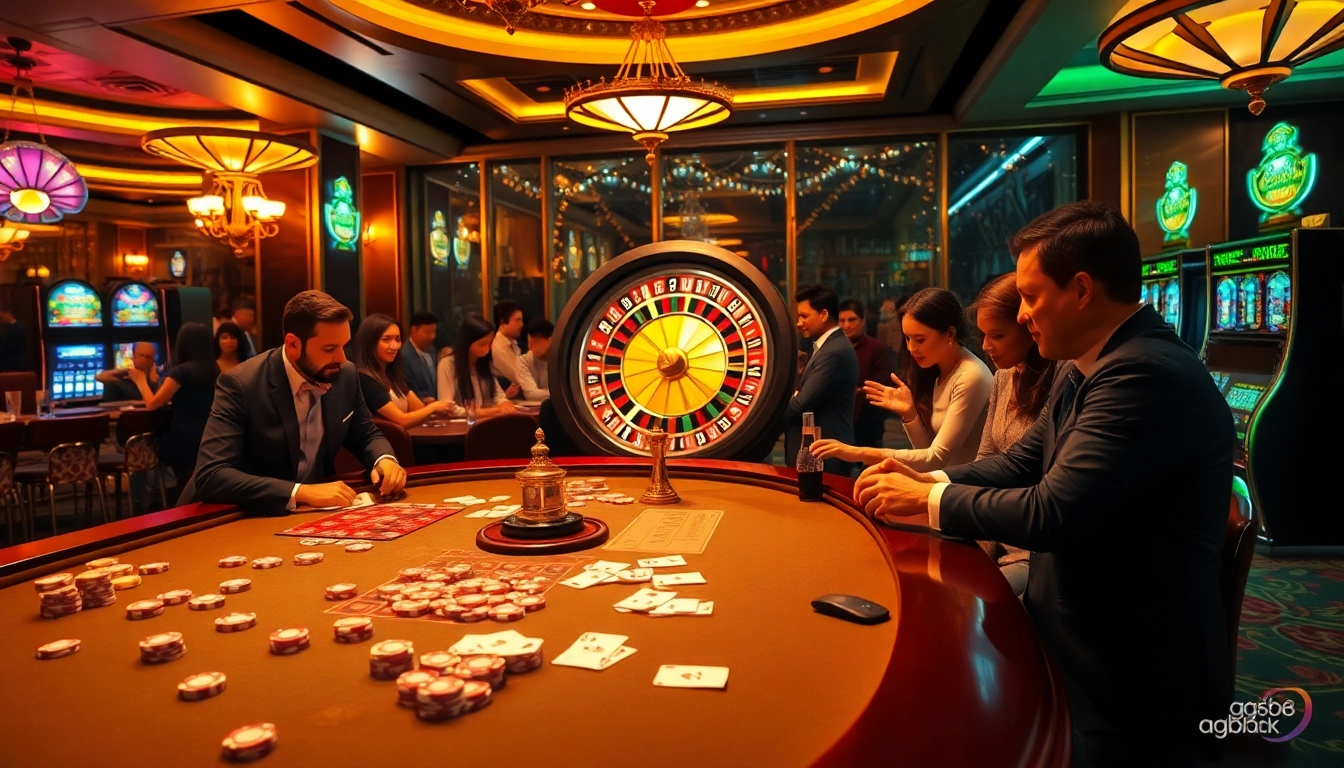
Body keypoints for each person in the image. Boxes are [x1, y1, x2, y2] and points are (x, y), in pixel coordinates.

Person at [853, 201, 1233, 766]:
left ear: (1081, 289)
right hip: (1086, 628)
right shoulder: (1088, 362)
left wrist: (931, 498)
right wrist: (925, 475)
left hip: (1127, 674)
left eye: (1031, 297)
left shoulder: (1141, 373)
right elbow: (1020, 463)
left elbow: (1055, 513)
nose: (1025, 314)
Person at [180, 290, 407, 514]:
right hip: (232, 517)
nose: (342, 358)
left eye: (343, 345)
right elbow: (211, 474)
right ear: (293, 344)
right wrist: (301, 492)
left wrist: (383, 460)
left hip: (307, 516)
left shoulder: (345, 374)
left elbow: (367, 435)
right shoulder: (240, 384)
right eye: (329, 349)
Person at [813, 288, 992, 472]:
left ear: (950, 334)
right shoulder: (939, 370)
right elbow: (926, 453)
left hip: (969, 491)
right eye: (907, 338)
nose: (911, 348)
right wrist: (909, 413)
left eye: (920, 340)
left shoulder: (971, 375)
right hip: (948, 484)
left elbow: (935, 458)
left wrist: (858, 452)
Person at [968, 273, 1060, 596]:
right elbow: (987, 459)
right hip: (997, 535)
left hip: (1032, 552)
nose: (985, 346)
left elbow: (1032, 479)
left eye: (997, 335)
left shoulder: (1059, 381)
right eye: (982, 335)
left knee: (977, 608)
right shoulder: (1003, 376)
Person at [127, 323, 217, 489]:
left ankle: (151, 497)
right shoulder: (213, 370)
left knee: (149, 444)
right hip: (210, 434)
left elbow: (153, 404)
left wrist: (140, 381)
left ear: (183, 344)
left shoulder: (182, 371)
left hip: (184, 437)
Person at [783, 285, 858, 476]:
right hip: (820, 453)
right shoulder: (827, 347)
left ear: (824, 314)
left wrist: (770, 410)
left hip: (825, 456)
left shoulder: (834, 352)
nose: (799, 323)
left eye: (804, 316)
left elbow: (801, 403)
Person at [353, 313, 450, 429]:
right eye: (386, 339)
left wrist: (440, 409)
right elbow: (402, 420)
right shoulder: (365, 378)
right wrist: (433, 407)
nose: (395, 346)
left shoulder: (393, 375)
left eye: (397, 339)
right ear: (370, 342)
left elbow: (419, 409)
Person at [437, 314, 518, 418]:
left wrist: (503, 403)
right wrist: (492, 411)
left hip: (486, 422)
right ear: (467, 343)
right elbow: (447, 407)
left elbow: (499, 395)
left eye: (490, 343)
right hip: (461, 426)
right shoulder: (448, 364)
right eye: (482, 344)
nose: (487, 349)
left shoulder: (483, 361)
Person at [837, 299, 889, 450]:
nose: (846, 325)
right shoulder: (833, 349)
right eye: (842, 320)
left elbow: (882, 380)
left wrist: (857, 392)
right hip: (838, 415)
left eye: (852, 320)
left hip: (867, 417)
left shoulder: (876, 348)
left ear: (862, 321)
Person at [96, 341, 160, 402]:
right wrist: (125, 371)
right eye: (141, 355)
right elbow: (99, 377)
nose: (144, 359)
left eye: (148, 357)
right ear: (133, 357)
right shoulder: (121, 379)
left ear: (153, 359)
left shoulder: (158, 378)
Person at [399, 310, 439, 403]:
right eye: (428, 332)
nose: (433, 336)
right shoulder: (404, 356)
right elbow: (406, 390)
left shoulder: (432, 351)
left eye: (434, 332)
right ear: (414, 330)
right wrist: (424, 400)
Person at [490, 301, 524, 399]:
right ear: (502, 321)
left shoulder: (514, 345)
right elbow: (519, 376)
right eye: (518, 320)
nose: (521, 324)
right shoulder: (496, 346)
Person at [514, 317, 552, 402]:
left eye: (535, 342)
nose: (529, 346)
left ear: (550, 339)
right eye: (529, 341)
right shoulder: (523, 361)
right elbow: (532, 394)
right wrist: (559, 394)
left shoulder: (562, 360)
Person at [0, 296, 25, 372]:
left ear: (5, 313)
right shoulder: (6, 327)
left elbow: (6, 348)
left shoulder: (18, 328)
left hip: (11, 366)